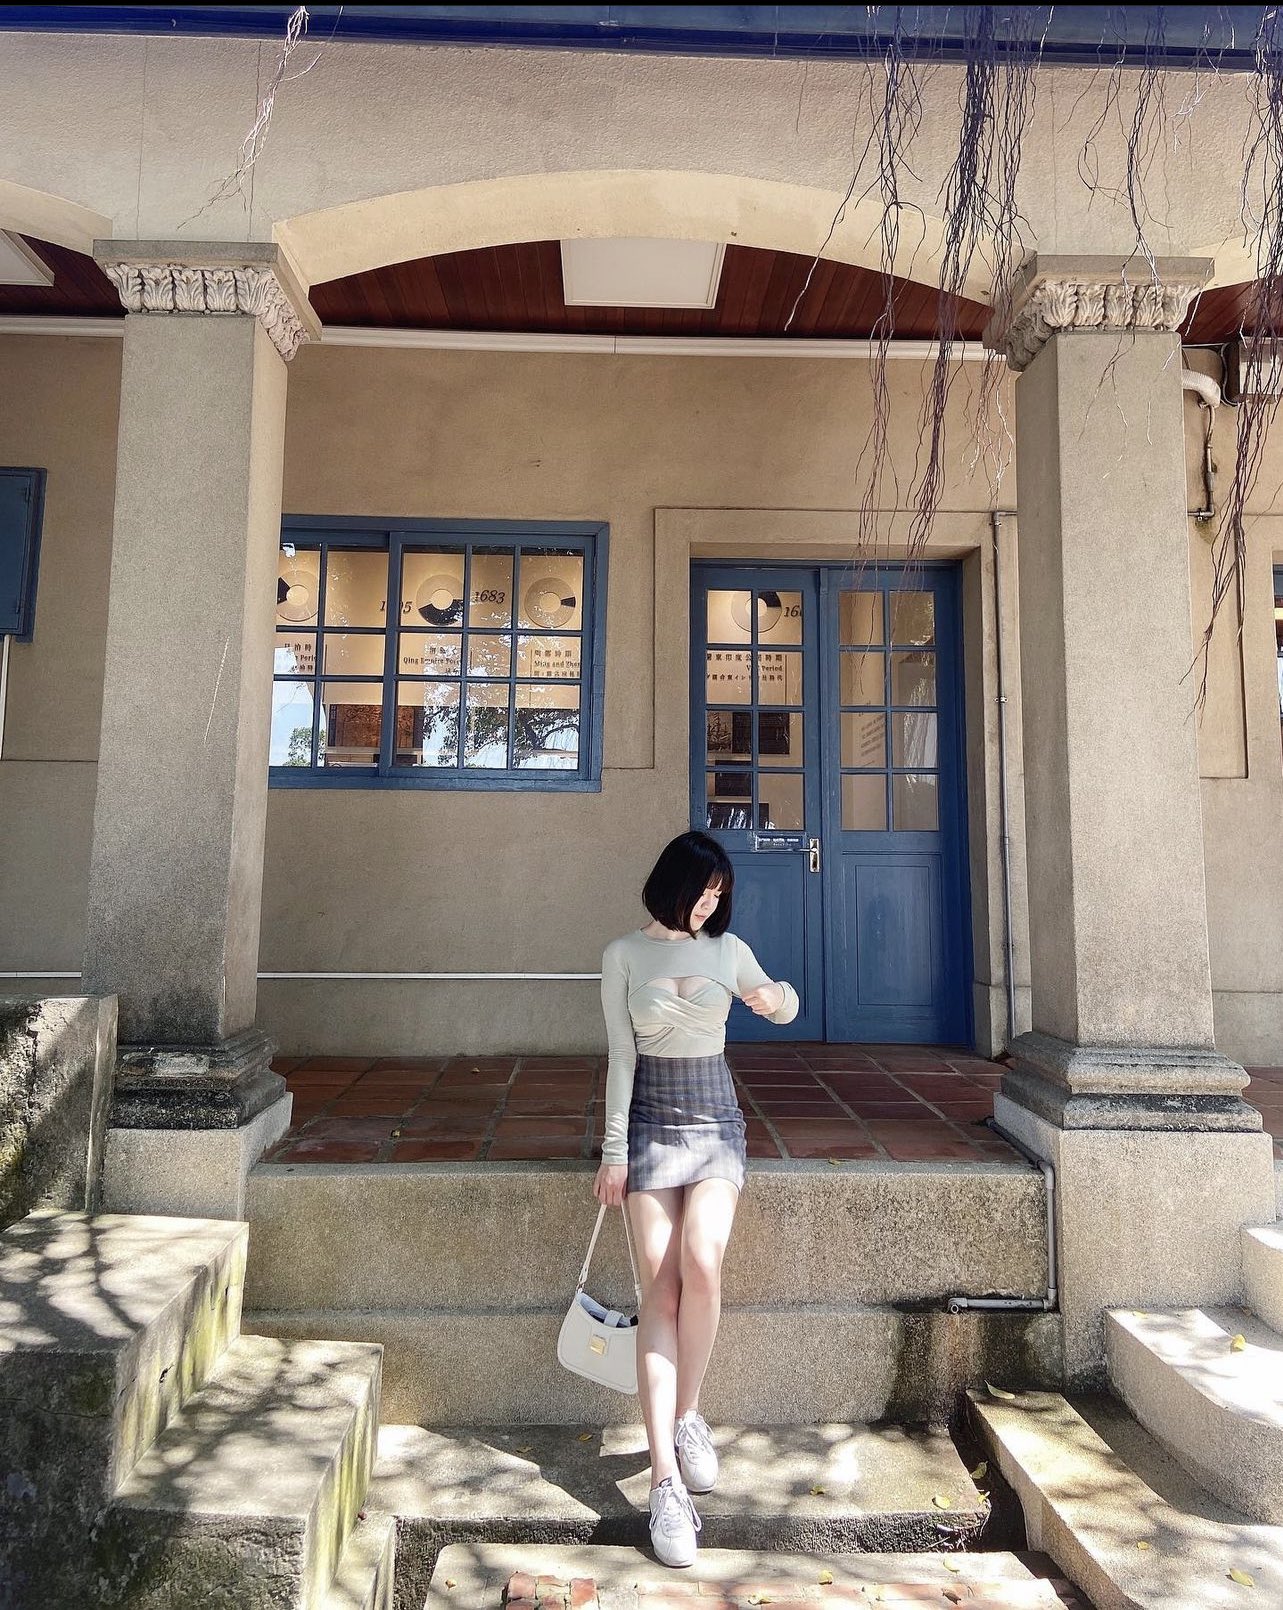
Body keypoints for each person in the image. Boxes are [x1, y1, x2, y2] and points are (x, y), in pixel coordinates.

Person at [595, 830, 799, 1568]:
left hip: (715, 1121)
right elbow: (621, 1056)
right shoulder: (623, 954)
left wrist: (774, 999)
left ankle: (687, 1415)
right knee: (660, 1287)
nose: (710, 904)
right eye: (702, 890)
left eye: (719, 894)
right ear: (672, 883)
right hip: (650, 1121)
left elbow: (784, 1007)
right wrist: (614, 1151)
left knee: (702, 1263)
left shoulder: (728, 949)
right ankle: (664, 1482)